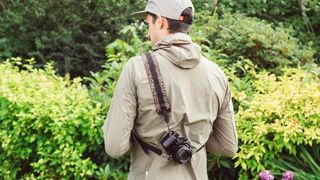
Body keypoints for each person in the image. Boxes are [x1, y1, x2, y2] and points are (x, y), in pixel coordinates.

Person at [102, 0, 238, 179]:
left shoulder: (136, 68)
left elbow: (115, 147)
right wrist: (195, 138)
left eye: (148, 23)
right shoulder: (216, 74)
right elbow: (228, 147)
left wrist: (144, 133)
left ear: (161, 22)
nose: (148, 33)